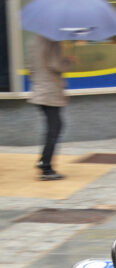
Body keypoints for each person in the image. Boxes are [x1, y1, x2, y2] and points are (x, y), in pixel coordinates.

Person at [28, 34, 74, 180]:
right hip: (50, 91)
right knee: (55, 127)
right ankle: (46, 166)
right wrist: (68, 61)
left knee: (53, 127)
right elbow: (56, 65)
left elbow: (30, 67)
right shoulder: (53, 41)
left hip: (39, 89)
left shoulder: (33, 40)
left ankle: (44, 162)